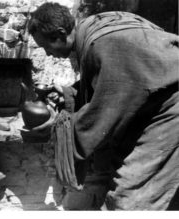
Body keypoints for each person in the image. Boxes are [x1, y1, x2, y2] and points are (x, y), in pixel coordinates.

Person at [28, 2, 179, 210]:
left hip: (170, 112)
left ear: (61, 34)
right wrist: (69, 93)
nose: (47, 54)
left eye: (46, 47)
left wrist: (59, 127)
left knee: (131, 196)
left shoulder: (103, 44)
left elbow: (104, 113)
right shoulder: (95, 26)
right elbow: (118, 80)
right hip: (156, 100)